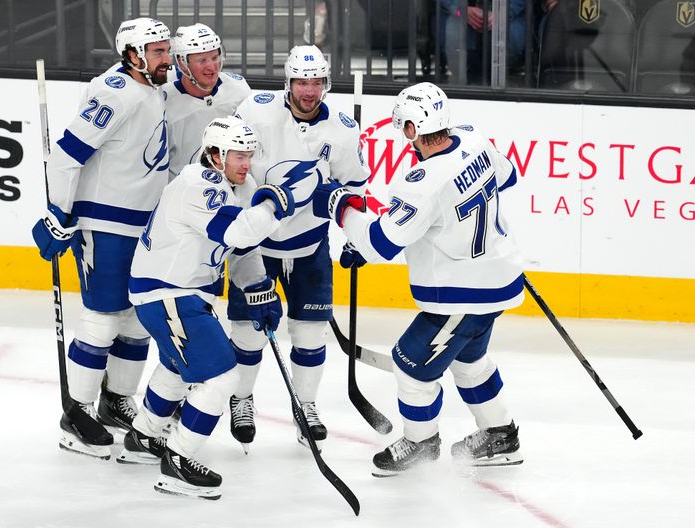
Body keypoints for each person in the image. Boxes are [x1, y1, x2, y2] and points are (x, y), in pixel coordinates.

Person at [312, 82, 524, 475]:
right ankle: (500, 435)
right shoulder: (472, 139)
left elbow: (381, 244)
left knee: (410, 364)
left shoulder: (424, 180)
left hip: (464, 294)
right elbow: (507, 178)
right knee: (469, 361)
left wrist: (339, 207)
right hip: (497, 278)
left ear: (412, 128)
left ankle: (421, 442)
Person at [117, 116, 295, 499]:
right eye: (237, 156)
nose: (246, 164)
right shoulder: (200, 185)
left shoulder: (238, 184)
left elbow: (247, 244)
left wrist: (260, 288)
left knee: (177, 369)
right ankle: (179, 459)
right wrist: (272, 203)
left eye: (249, 155)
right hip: (168, 293)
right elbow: (240, 231)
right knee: (221, 377)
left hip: (178, 294)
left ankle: (143, 438)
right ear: (214, 155)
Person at [31, 17, 172, 459]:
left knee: (136, 319)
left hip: (143, 225)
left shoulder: (152, 89)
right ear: (133, 55)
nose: (167, 59)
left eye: (167, 50)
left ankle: (115, 401)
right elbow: (67, 156)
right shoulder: (116, 92)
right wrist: (59, 213)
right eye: (159, 52)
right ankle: (76, 414)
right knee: (103, 318)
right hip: (106, 225)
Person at [226, 45, 370, 453]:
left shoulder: (342, 129)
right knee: (248, 332)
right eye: (301, 82)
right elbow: (228, 163)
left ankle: (304, 405)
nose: (309, 90)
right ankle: (242, 398)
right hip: (256, 247)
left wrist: (355, 238)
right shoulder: (255, 111)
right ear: (287, 82)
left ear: (326, 83)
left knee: (310, 334)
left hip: (310, 246)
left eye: (316, 82)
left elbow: (354, 188)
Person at [164, 22, 252, 180]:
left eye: (214, 57)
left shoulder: (238, 90)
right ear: (182, 63)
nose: (211, 67)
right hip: (181, 192)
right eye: (202, 60)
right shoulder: (163, 99)